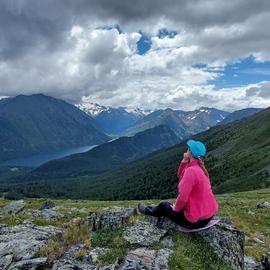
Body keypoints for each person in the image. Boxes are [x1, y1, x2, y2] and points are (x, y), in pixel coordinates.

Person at [137, 139, 219, 229]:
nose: (186, 150)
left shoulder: (191, 171)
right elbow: (181, 175)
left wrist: (175, 209)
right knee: (173, 204)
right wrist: (184, 160)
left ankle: (147, 211)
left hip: (195, 222)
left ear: (190, 152)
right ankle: (154, 208)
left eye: (188, 149)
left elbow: (183, 198)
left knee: (164, 205)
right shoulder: (201, 169)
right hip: (208, 216)